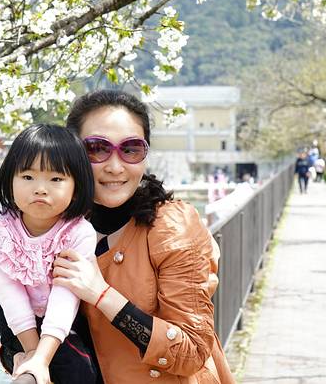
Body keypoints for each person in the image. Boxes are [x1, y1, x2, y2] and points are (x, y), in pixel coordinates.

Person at [43, 90, 235, 383]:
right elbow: (25, 327)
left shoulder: (170, 227)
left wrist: (101, 295)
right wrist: (21, 354)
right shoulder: (55, 228)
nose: (115, 166)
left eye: (131, 149)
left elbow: (193, 351)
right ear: (73, 154)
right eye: (96, 148)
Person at [0, 124, 98, 384]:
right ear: (9, 179)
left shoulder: (78, 233)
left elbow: (65, 298)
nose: (40, 189)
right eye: (27, 177)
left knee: (80, 372)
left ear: (77, 187)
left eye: (56, 179)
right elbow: (8, 291)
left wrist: (41, 358)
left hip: (63, 322)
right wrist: (34, 355)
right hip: (15, 320)